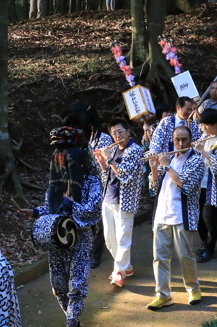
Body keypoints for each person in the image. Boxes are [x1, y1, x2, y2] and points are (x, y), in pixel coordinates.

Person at [18, 127, 102, 327]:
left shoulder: (91, 181)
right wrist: (35, 212)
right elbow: (50, 207)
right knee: (58, 285)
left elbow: (93, 210)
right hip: (57, 239)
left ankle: (70, 324)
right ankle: (73, 322)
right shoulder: (55, 184)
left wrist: (71, 204)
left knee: (77, 281)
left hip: (79, 237)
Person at [147, 125, 205, 309]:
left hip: (182, 216)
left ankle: (193, 288)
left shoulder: (196, 160)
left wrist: (166, 166)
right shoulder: (169, 158)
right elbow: (153, 190)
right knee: (160, 257)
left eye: (184, 139)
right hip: (162, 215)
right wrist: (155, 169)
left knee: (185, 256)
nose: (180, 143)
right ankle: (163, 295)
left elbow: (185, 184)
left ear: (191, 140)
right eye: (177, 140)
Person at [94, 119, 144, 287]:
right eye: (114, 133)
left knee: (123, 237)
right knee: (109, 237)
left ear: (128, 132)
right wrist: (102, 160)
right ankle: (126, 267)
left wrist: (109, 160)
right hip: (108, 197)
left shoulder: (135, 150)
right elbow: (106, 173)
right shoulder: (113, 149)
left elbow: (124, 175)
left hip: (126, 200)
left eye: (120, 131)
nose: (117, 135)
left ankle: (118, 271)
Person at [64, 103, 111, 269]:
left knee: (97, 220)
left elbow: (104, 168)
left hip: (99, 184)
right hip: (77, 186)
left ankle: (95, 254)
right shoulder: (70, 140)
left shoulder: (104, 139)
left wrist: (100, 160)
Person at [195, 108, 217, 263]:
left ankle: (210, 248)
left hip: (214, 184)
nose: (204, 128)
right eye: (202, 125)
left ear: (216, 124)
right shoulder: (203, 136)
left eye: (206, 125)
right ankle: (204, 242)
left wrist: (203, 152)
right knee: (196, 215)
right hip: (199, 183)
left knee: (210, 217)